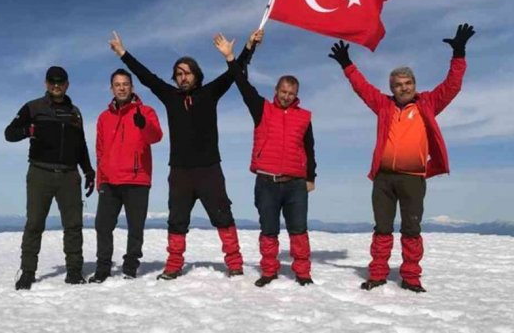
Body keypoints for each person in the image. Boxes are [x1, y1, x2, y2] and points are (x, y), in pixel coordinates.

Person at [328, 23, 475, 292]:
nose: (403, 88)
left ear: (415, 86)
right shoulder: (384, 106)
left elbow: (452, 86)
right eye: (398, 85)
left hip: (413, 179)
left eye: (407, 84)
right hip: (384, 178)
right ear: (392, 88)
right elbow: (363, 88)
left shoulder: (428, 104)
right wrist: (347, 64)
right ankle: (378, 274)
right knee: (382, 228)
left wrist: (459, 54)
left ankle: (410, 278)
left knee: (411, 229)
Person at [108, 29, 262, 279]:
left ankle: (234, 262)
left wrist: (243, 50)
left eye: (186, 73)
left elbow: (233, 75)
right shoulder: (171, 97)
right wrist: (123, 53)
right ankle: (174, 264)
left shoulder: (209, 93)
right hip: (180, 171)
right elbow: (146, 77)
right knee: (177, 219)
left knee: (222, 214)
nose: (182, 77)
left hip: (209, 168)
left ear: (196, 75)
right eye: (178, 74)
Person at [214, 33, 317, 287]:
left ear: (296, 94)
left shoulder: (304, 117)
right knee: (268, 229)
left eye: (291, 93)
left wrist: (310, 177)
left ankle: (303, 273)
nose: (286, 96)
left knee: (298, 230)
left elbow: (309, 148)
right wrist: (231, 58)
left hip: (295, 184)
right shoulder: (262, 109)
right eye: (283, 91)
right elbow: (242, 84)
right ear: (276, 91)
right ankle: (269, 271)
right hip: (266, 182)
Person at [4, 66, 95, 289]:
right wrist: (29, 131)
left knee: (73, 225)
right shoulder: (33, 107)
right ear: (46, 84)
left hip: (69, 174)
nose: (56, 85)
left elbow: (81, 145)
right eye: (52, 82)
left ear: (67, 84)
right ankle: (27, 272)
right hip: (40, 173)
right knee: (35, 223)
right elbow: (9, 133)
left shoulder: (75, 112)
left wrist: (89, 171)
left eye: (61, 82)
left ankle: (74, 272)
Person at [90, 69, 163, 283]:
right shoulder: (104, 118)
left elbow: (155, 136)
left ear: (132, 87)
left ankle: (130, 266)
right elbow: (100, 150)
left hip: (137, 179)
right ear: (111, 88)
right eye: (117, 84)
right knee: (102, 225)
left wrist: (144, 125)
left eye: (125, 84)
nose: (121, 87)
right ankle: (103, 267)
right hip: (110, 181)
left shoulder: (146, 111)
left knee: (135, 227)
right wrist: (100, 179)